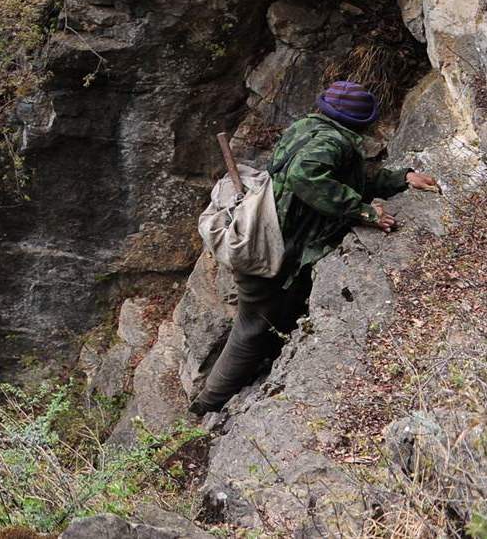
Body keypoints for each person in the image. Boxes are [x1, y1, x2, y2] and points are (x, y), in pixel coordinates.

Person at [189, 81, 440, 414]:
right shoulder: (331, 142)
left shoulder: (309, 127)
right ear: (361, 122)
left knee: (274, 313)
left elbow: (347, 179)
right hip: (271, 248)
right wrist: (363, 211)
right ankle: (208, 404)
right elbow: (305, 177)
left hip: (276, 236)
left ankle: (268, 348)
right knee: (251, 329)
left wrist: (402, 178)